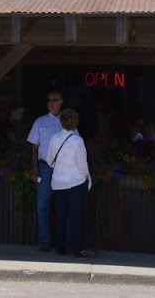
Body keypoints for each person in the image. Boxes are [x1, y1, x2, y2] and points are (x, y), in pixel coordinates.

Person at [47, 107, 91, 257]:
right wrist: (86, 176)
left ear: (61, 122)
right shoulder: (78, 141)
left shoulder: (53, 138)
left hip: (58, 182)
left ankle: (60, 247)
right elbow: (83, 164)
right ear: (76, 123)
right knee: (75, 216)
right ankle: (76, 248)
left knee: (60, 215)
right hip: (76, 182)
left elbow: (49, 160)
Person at [25, 90, 64, 251]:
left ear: (61, 101)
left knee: (62, 206)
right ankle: (44, 240)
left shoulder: (67, 122)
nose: (51, 103)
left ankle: (62, 241)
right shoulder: (40, 122)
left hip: (63, 168)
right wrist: (34, 169)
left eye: (54, 100)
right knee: (43, 206)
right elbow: (34, 147)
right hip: (45, 168)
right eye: (48, 100)